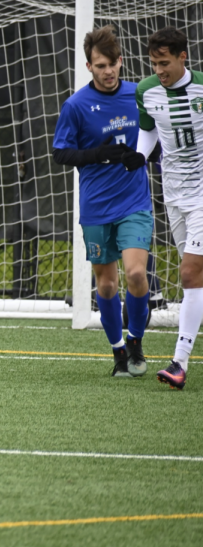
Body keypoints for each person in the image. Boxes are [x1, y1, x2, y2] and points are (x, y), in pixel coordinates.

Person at [52, 25, 153, 378]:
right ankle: (118, 353)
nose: (107, 71)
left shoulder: (139, 96)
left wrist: (142, 158)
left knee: (137, 274)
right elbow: (61, 155)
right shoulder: (76, 106)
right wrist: (99, 154)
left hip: (134, 202)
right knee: (107, 284)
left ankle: (137, 340)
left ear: (121, 62)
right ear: (88, 67)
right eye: (100, 66)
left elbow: (156, 138)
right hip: (96, 207)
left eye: (112, 64)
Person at [133, 27, 203, 390]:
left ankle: (179, 363)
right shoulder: (146, 92)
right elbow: (149, 132)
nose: (159, 70)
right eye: (154, 63)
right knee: (197, 279)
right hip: (172, 196)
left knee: (190, 274)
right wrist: (138, 156)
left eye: (165, 63)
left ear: (182, 57)